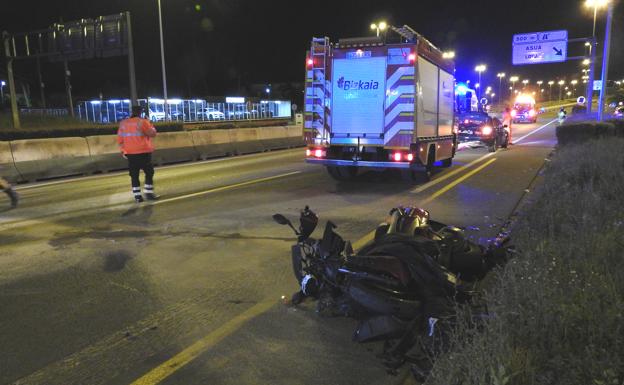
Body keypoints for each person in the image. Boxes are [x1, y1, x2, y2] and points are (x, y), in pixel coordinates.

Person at [117, 105, 159, 203]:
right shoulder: (143, 122)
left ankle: (137, 197)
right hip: (143, 152)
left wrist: (123, 151)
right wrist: (150, 124)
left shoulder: (123, 123)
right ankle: (148, 193)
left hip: (130, 153)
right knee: (149, 172)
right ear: (141, 112)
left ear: (132, 112)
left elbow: (120, 139)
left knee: (134, 175)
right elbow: (152, 134)